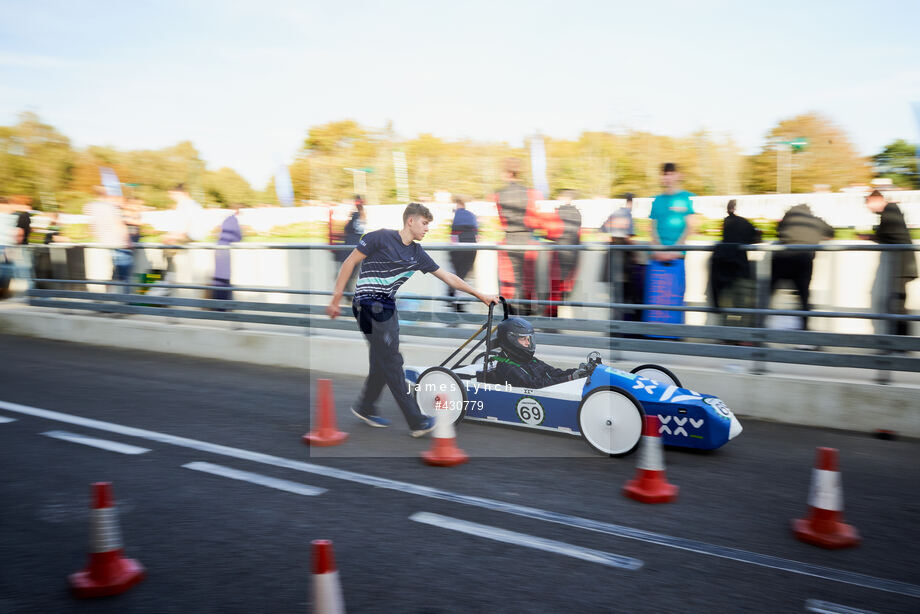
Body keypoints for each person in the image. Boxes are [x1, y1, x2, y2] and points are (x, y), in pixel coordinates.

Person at [326, 203, 498, 436]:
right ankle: (416, 421)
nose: (427, 229)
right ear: (411, 221)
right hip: (367, 305)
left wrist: (480, 295)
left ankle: (365, 407)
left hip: (388, 308)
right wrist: (336, 299)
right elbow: (349, 262)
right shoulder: (379, 238)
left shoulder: (417, 254)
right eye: (425, 224)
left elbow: (449, 277)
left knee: (382, 359)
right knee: (393, 361)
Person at [646, 163, 698, 326]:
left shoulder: (685, 199)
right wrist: (659, 249)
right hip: (658, 257)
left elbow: (691, 226)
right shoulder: (657, 200)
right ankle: (656, 333)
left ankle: (674, 334)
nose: (668, 177)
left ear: (678, 175)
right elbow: (652, 228)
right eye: (665, 174)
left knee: (674, 297)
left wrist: (674, 250)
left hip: (677, 257)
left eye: (671, 173)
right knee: (658, 299)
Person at [861, 190, 917, 337]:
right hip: (901, 265)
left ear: (875, 200)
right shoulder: (890, 212)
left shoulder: (890, 210)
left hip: (901, 266)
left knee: (897, 305)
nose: (868, 208)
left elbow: (885, 233)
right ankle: (898, 341)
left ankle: (902, 343)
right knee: (895, 304)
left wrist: (870, 236)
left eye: (868, 203)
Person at [771, 203, 834, 331]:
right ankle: (804, 329)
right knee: (804, 298)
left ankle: (759, 327)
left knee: (769, 293)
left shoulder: (787, 218)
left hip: (781, 259)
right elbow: (831, 232)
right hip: (804, 260)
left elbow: (778, 232)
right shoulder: (815, 220)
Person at [483, 317, 593, 388]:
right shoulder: (507, 366)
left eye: (528, 339)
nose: (528, 343)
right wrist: (569, 379)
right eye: (523, 339)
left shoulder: (527, 359)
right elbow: (533, 385)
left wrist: (577, 372)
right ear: (510, 339)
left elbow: (551, 372)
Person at [494, 158, 539, 315]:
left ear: (507, 173)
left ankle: (510, 316)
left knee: (508, 281)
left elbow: (501, 218)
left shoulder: (498, 195)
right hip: (527, 240)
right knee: (527, 280)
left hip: (508, 240)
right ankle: (526, 316)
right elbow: (534, 218)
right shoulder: (531, 193)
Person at [710, 200, 762, 328]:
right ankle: (741, 337)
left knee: (726, 306)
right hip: (740, 269)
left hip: (723, 272)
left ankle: (726, 337)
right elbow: (757, 237)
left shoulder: (727, 223)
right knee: (744, 305)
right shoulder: (744, 223)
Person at [602, 193, 643, 323]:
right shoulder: (628, 214)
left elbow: (602, 231)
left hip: (611, 259)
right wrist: (637, 254)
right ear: (631, 203)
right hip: (623, 263)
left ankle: (613, 326)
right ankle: (621, 327)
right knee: (625, 297)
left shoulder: (614, 213)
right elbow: (628, 238)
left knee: (614, 297)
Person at [545, 190, 581, 318]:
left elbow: (550, 232)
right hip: (573, 252)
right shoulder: (577, 213)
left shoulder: (558, 212)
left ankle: (552, 317)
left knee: (554, 286)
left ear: (562, 198)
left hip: (559, 252)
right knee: (564, 285)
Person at [447, 195, 478, 312]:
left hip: (458, 247)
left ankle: (454, 300)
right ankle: (457, 301)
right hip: (471, 248)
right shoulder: (471, 215)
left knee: (456, 274)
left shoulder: (455, 215)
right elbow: (477, 235)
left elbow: (453, 237)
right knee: (464, 275)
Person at [333, 195, 366, 298]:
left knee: (344, 272)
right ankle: (348, 293)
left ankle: (346, 293)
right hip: (357, 246)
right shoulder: (362, 215)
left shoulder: (355, 215)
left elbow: (347, 229)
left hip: (349, 246)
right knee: (351, 273)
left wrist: (348, 217)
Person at [213, 204, 242, 303]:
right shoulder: (233, 220)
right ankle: (224, 305)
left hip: (219, 248)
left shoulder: (226, 219)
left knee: (219, 277)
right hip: (224, 250)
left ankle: (219, 303)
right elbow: (238, 237)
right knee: (224, 277)